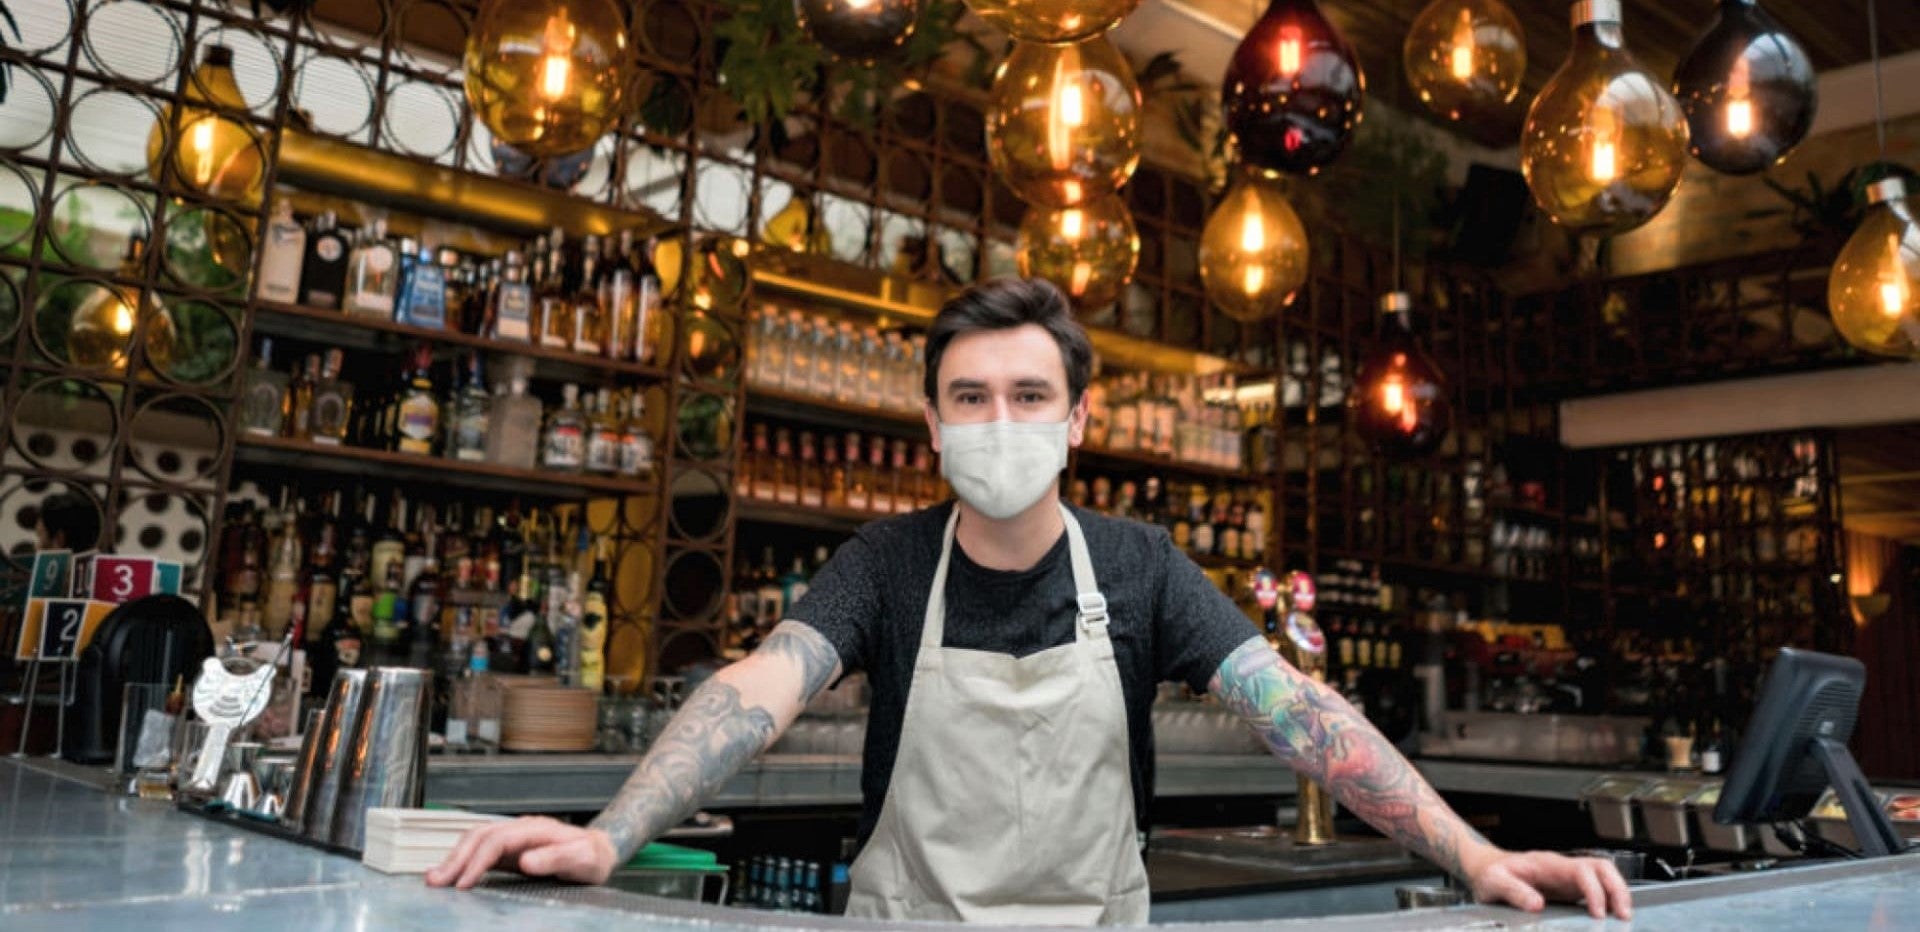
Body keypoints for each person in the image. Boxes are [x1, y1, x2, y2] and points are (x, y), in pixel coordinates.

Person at [428, 278, 1632, 923]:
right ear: (932, 421)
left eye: (1025, 393)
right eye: (969, 396)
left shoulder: (1144, 565)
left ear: (1077, 418)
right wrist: (607, 832)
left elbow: (1295, 710)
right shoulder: (888, 564)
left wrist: (1475, 855)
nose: (998, 421)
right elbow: (760, 686)